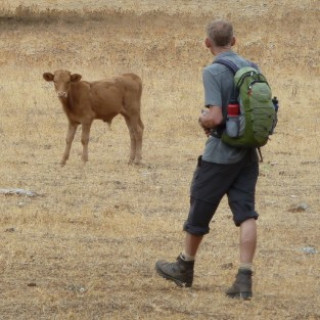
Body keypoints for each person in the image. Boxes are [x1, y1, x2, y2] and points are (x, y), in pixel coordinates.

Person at [155, 19, 259, 300]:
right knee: (246, 213)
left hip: (220, 154)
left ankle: (184, 266)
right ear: (234, 41)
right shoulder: (251, 66)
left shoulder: (213, 71)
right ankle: (244, 279)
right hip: (249, 153)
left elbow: (215, 116)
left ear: (207, 43)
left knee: (200, 204)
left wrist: (202, 118)